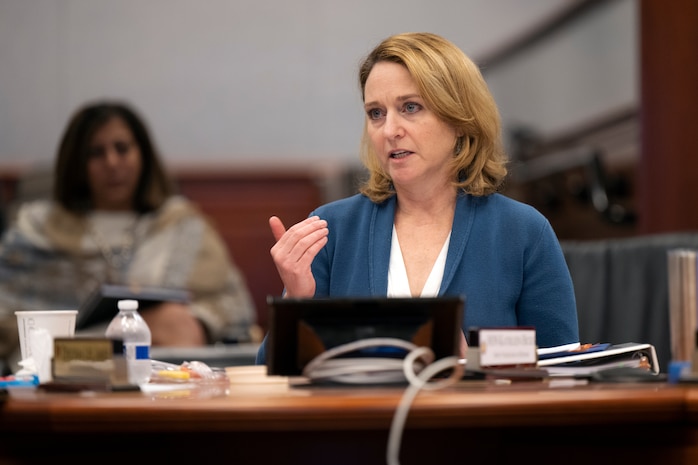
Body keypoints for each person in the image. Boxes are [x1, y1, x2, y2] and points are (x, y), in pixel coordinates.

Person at [256, 32, 579, 364]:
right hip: (360, 416)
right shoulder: (330, 230)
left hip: (477, 417)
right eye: (376, 113)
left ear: (459, 117)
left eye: (410, 107)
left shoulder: (522, 230)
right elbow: (271, 376)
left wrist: (475, 363)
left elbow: (562, 365)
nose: (389, 130)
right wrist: (295, 302)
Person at [0, 101, 258, 371]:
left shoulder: (182, 226)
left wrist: (183, 321)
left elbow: (233, 307)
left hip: (166, 367)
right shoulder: (39, 229)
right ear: (77, 163)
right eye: (96, 153)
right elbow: (8, 314)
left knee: (176, 324)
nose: (112, 163)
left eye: (122, 149)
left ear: (143, 155)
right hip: (65, 360)